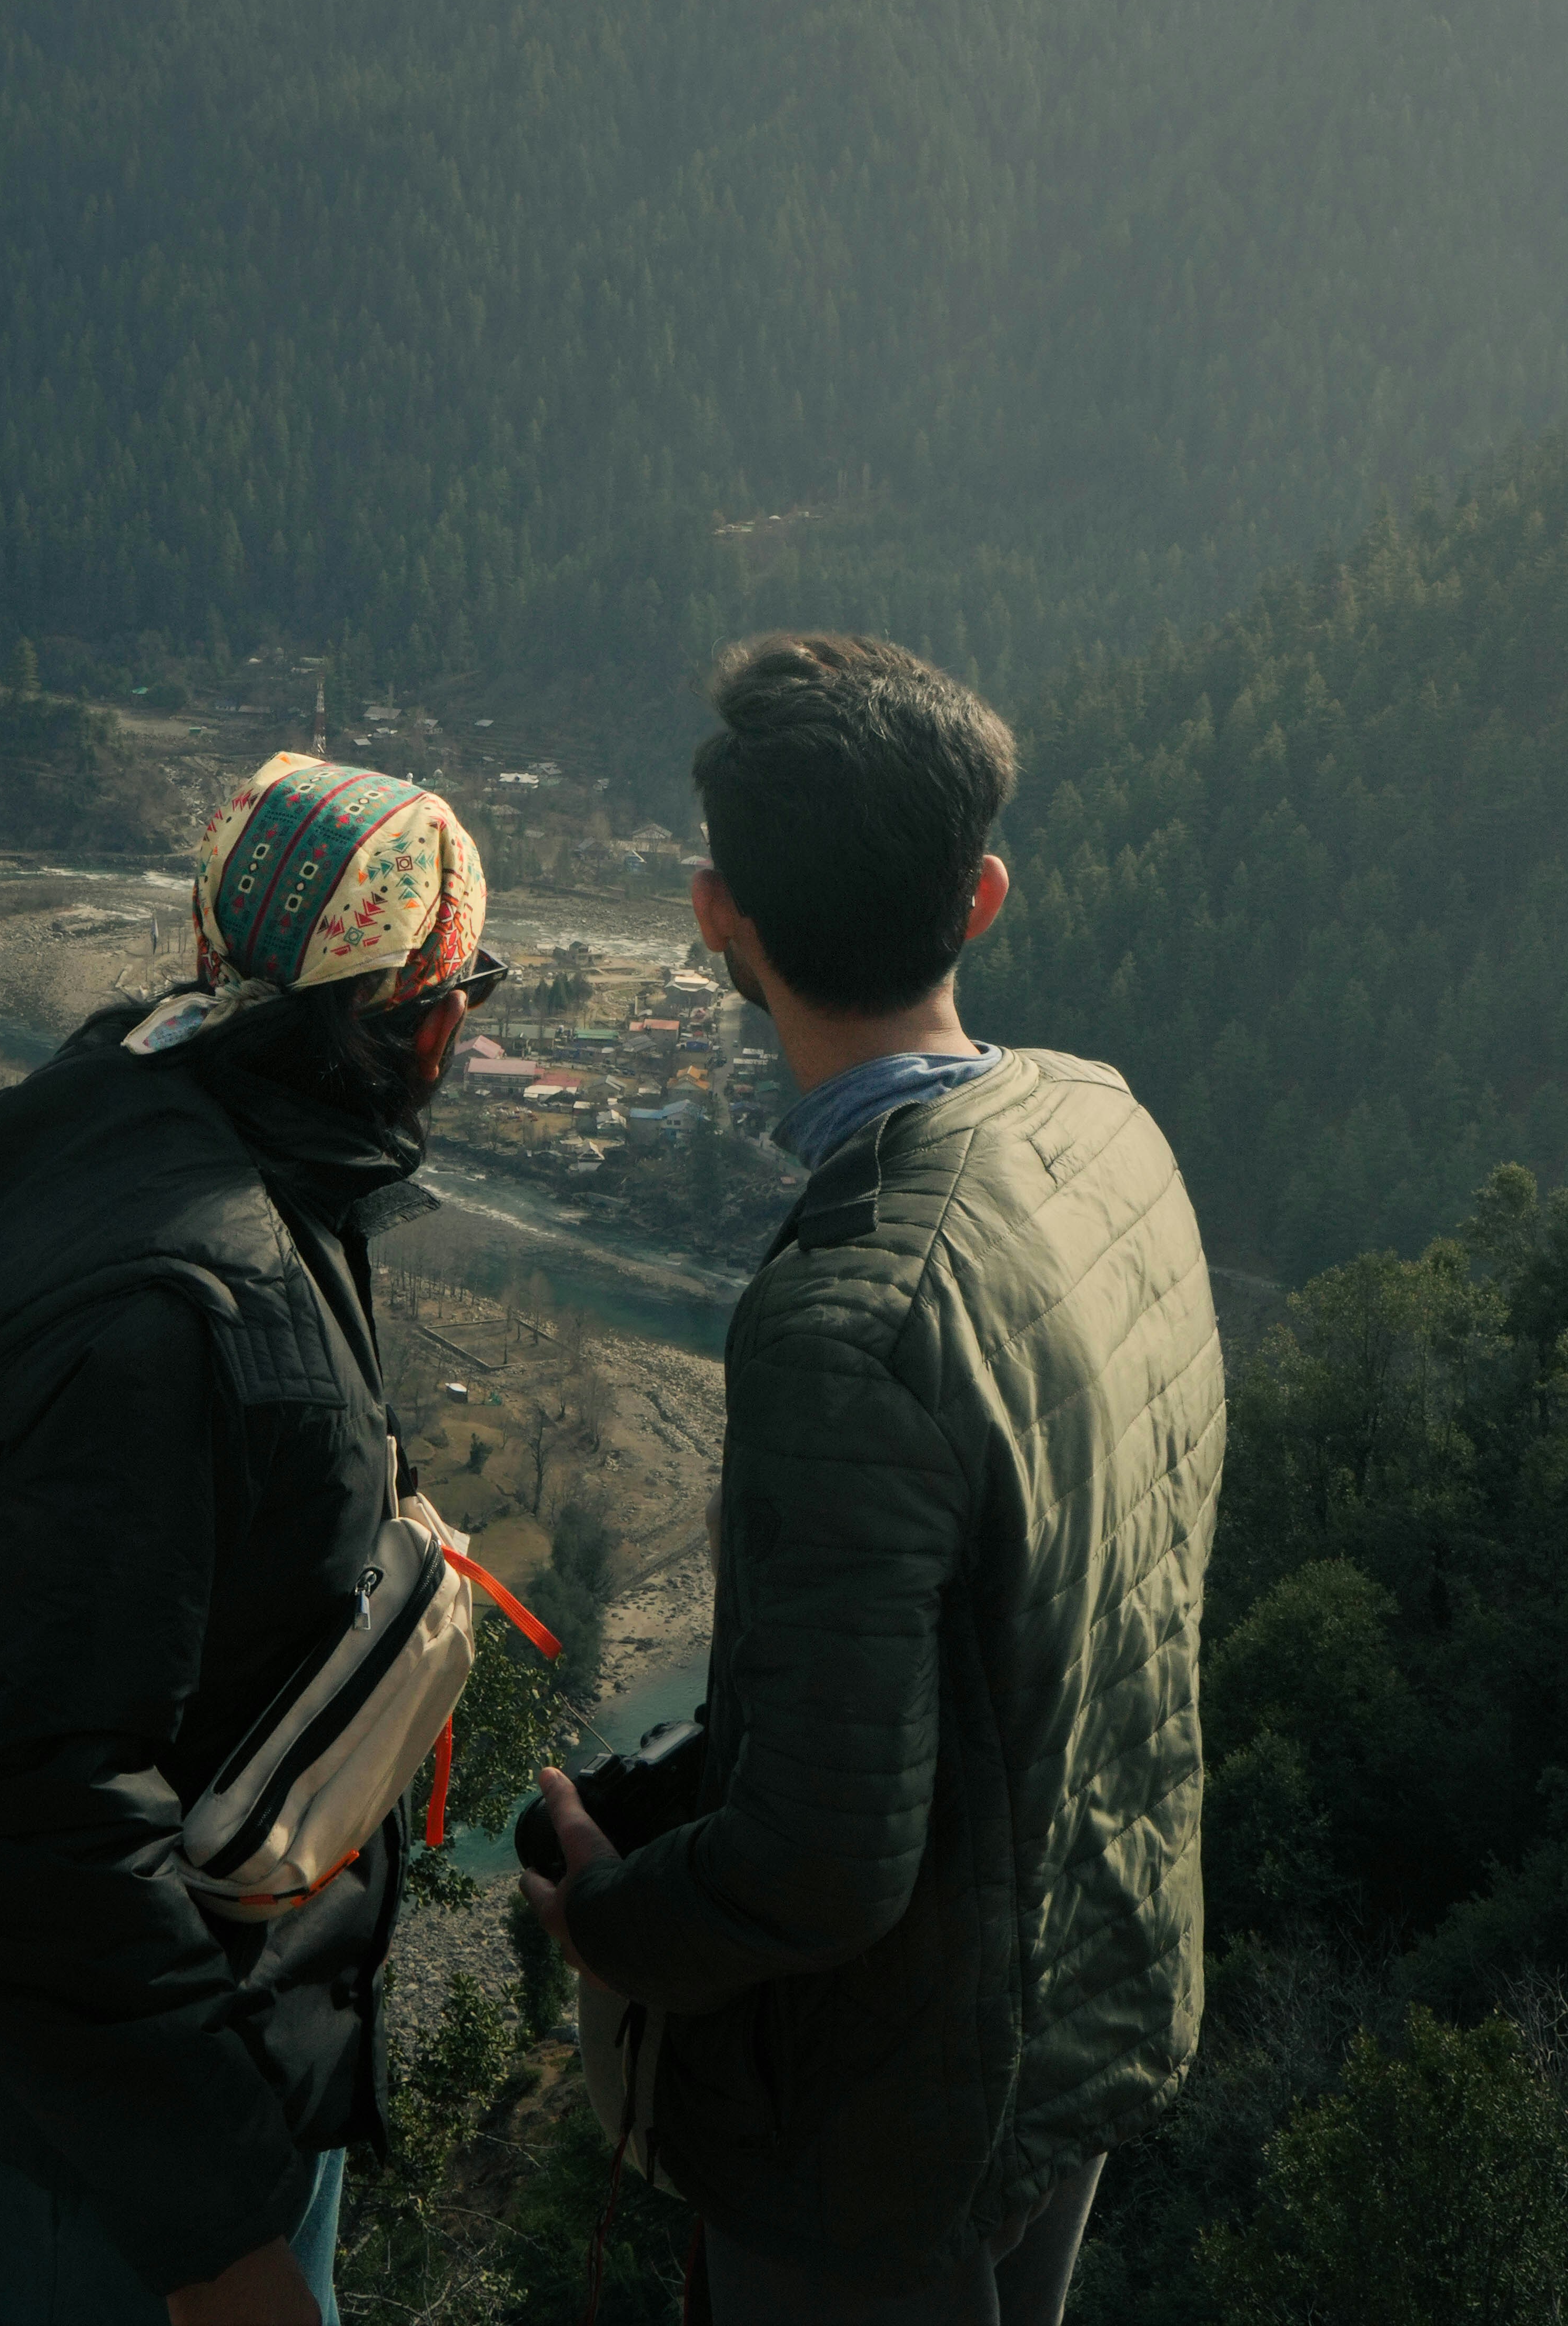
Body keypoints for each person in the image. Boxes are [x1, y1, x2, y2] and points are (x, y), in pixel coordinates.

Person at [523, 636, 1225, 2325]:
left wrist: (609, 1914)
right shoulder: (1106, 1128)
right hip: (1090, 1995)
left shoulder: (848, 1314)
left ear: (715, 920)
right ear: (980, 898)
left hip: (887, 2122)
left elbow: (826, 1862)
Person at [0, 753, 502, 2326]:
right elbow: (44, 1811)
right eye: (465, 986)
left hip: (181, 2060)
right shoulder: (177, 1306)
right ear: (415, 1019)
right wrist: (223, 2242)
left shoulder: (219, 1145)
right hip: (105, 2152)